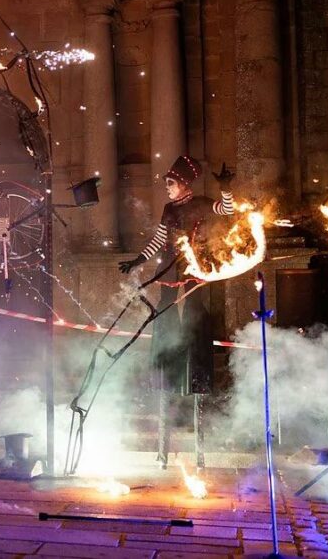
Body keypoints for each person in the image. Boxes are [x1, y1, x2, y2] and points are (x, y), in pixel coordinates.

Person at [118, 155, 234, 468]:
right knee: (166, 339)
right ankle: (162, 452)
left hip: (195, 276)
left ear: (183, 182)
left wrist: (225, 188)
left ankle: (199, 452)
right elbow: (158, 240)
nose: (167, 188)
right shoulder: (169, 210)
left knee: (196, 341)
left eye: (170, 183)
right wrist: (138, 260)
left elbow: (227, 210)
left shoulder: (201, 204)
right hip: (170, 278)